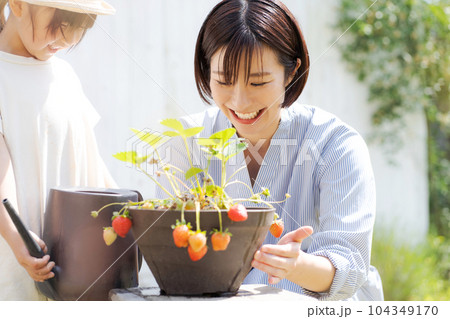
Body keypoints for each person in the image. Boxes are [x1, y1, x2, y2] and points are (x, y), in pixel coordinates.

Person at [158, 0, 384, 300]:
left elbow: (351, 267)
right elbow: (173, 257)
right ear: (205, 69)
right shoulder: (184, 141)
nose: (240, 101)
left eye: (258, 82)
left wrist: (297, 265)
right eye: (224, 80)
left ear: (290, 74)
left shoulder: (337, 145)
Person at [0, 0, 116, 300]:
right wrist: (17, 240)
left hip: (74, 274)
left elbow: (91, 161)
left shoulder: (64, 76)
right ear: (18, 4)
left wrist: (131, 211)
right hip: (17, 269)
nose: (69, 40)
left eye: (78, 28)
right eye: (61, 23)